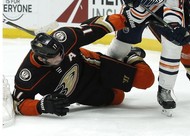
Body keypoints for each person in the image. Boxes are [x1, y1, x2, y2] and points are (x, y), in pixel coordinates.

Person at [104, 0, 190, 112]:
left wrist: (175, 26)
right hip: (135, 8)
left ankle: (165, 89)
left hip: (160, 10)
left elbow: (174, 8)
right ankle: (103, 73)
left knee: (174, 43)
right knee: (121, 47)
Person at [12, 14, 155, 117]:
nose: (61, 58)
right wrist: (41, 106)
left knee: (145, 79)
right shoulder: (27, 75)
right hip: (82, 94)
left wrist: (123, 18)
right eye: (55, 58)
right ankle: (118, 59)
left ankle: (129, 55)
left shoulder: (64, 38)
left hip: (95, 68)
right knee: (118, 97)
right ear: (43, 59)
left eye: (61, 53)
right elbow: (19, 104)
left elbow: (93, 28)